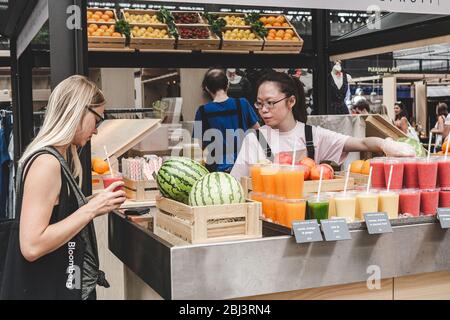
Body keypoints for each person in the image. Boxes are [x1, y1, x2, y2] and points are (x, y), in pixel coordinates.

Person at [1, 75, 126, 300]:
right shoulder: (46, 163)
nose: (96, 130)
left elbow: (55, 217)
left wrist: (92, 202)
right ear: (78, 111)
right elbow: (32, 246)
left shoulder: (55, 158)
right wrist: (91, 209)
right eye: (97, 119)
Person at [230, 72, 415, 179]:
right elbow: (236, 183)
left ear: (291, 101)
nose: (263, 110)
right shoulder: (254, 139)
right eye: (259, 103)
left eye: (270, 103)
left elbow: (363, 144)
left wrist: (386, 145)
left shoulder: (313, 135)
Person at [194, 68, 260, 173]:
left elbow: (199, 144)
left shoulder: (201, 112)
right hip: (243, 165)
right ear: (228, 84)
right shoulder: (242, 103)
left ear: (207, 88)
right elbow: (258, 132)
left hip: (216, 169)